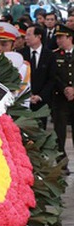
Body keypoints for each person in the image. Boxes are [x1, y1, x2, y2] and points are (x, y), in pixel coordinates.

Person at [21, 23, 57, 128]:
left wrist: (40, 96)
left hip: (42, 102)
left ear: (38, 36)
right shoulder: (21, 54)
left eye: (29, 35)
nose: (26, 38)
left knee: (40, 131)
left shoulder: (49, 55)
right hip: (24, 101)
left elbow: (51, 79)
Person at [52, 24, 74, 161]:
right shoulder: (54, 55)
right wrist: (64, 88)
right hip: (60, 99)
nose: (59, 40)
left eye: (61, 37)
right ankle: (62, 161)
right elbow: (54, 75)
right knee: (59, 133)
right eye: (57, 38)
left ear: (70, 38)